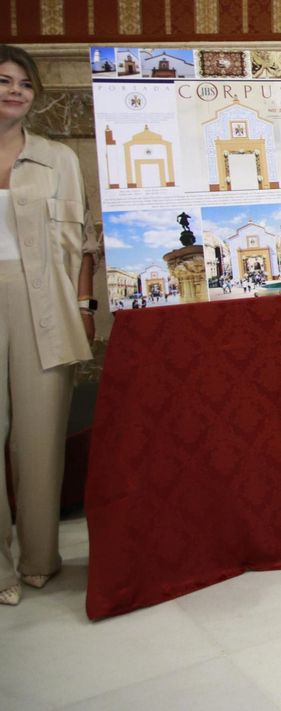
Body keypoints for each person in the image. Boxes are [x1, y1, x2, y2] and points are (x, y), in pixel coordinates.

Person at [0, 44, 99, 605]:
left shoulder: (57, 159)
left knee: (39, 437)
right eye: (4, 81)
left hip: (44, 302)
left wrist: (85, 306)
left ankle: (39, 557)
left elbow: (82, 240)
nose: (15, 91)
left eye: (24, 83)